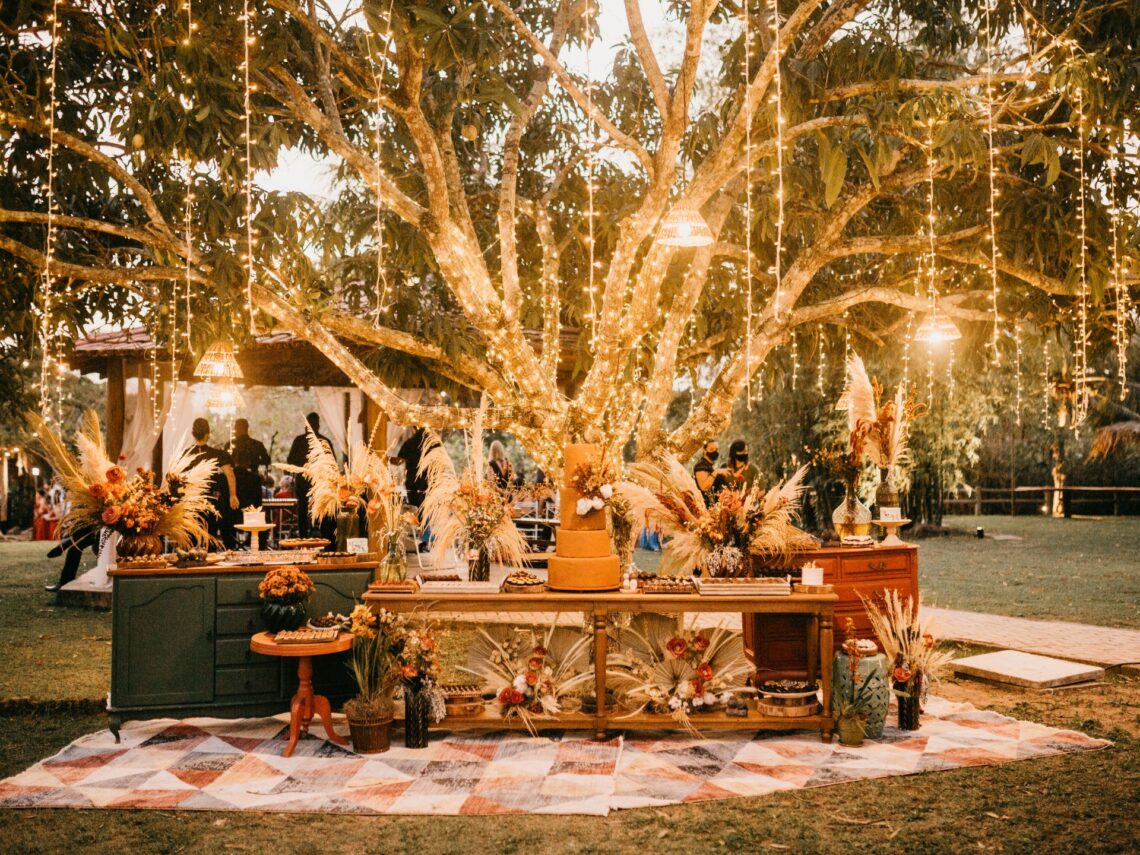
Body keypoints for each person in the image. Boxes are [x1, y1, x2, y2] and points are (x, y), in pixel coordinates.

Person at [185, 417, 240, 549]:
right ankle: (210, 561)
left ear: (193, 434)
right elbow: (230, 474)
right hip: (212, 500)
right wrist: (233, 495)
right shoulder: (217, 454)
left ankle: (191, 563)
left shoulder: (186, 455)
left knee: (191, 536)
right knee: (210, 535)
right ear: (208, 434)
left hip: (192, 501)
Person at [286, 412, 335, 540]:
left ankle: (303, 536)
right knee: (322, 508)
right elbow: (332, 463)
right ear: (318, 425)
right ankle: (324, 536)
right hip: (319, 481)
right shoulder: (325, 441)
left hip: (304, 480)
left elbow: (290, 460)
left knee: (302, 509)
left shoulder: (299, 441)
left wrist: (303, 466)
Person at [229, 418, 271, 548]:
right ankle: (258, 546)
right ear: (247, 428)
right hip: (253, 487)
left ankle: (231, 547)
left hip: (232, 514)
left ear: (237, 429)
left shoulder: (230, 445)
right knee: (258, 509)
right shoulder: (256, 445)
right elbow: (267, 460)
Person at [392, 427, 430, 510]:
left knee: (415, 506)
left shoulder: (409, 443)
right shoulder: (432, 445)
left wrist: (388, 459)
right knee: (426, 507)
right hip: (427, 481)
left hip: (412, 481)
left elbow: (399, 460)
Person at [693, 439, 732, 506]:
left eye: (716, 449)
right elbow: (704, 487)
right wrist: (716, 472)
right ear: (705, 451)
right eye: (711, 449)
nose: (714, 452)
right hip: (707, 506)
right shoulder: (701, 466)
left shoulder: (709, 465)